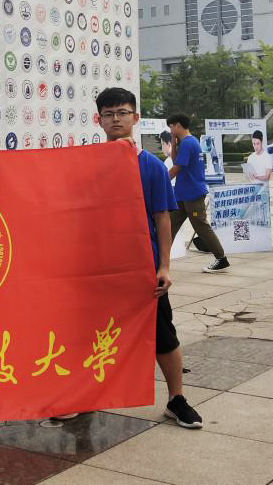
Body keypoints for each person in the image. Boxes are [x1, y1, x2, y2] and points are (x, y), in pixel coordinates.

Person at [98, 88, 203, 429]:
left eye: (122, 112)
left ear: (135, 117)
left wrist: (164, 267)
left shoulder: (152, 167)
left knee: (162, 334)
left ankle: (176, 399)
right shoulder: (90, 164)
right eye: (109, 114)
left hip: (142, 267)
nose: (116, 119)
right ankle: (84, 396)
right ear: (99, 120)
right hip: (99, 268)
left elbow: (162, 219)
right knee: (89, 332)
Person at [167, 114, 230, 273]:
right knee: (169, 226)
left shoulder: (189, 143)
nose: (170, 130)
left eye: (171, 126)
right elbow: (176, 162)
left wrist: (160, 181)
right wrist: (173, 143)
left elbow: (176, 168)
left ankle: (221, 259)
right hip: (182, 194)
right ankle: (159, 260)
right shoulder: (186, 142)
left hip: (192, 194)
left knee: (201, 226)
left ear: (178, 125)